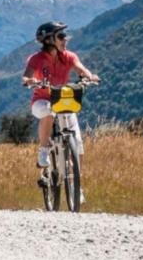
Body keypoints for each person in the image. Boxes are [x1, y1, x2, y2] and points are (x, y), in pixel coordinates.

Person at [20, 21, 99, 186]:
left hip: (63, 102)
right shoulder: (37, 59)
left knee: (78, 145)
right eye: (61, 36)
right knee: (49, 112)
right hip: (41, 101)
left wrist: (89, 76)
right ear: (49, 40)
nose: (66, 39)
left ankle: (76, 187)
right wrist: (30, 81)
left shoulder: (69, 56)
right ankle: (43, 153)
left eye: (65, 35)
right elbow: (26, 76)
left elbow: (81, 69)